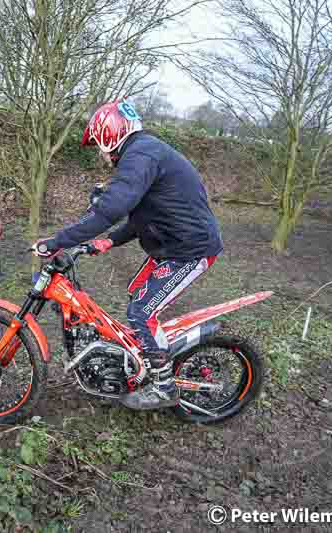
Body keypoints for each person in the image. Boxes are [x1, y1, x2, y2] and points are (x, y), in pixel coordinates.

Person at [32, 100, 223, 410]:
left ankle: (163, 387)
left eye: (98, 144)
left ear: (110, 134)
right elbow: (145, 215)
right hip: (173, 245)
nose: (100, 153)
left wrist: (56, 242)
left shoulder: (140, 155)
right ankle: (148, 360)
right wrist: (109, 242)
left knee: (140, 314)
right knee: (138, 299)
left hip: (190, 251)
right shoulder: (145, 152)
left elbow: (109, 210)